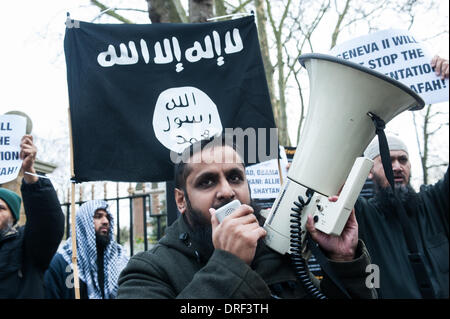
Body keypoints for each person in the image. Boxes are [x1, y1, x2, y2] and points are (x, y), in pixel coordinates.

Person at [117, 135, 377, 299]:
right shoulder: (149, 271)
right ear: (181, 200)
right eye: (207, 182)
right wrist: (228, 265)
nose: (228, 192)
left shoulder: (277, 248)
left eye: (235, 177)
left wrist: (344, 262)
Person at [355, 134, 448, 298]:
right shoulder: (363, 216)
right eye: (387, 160)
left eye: (403, 160)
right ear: (369, 171)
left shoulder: (435, 202)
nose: (397, 167)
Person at [0, 135, 65, 298]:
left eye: (1, 208)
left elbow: (47, 222)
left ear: (13, 217)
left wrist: (29, 173)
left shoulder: (26, 245)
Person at [44, 200, 129, 299]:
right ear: (84, 223)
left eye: (107, 217)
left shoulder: (119, 259)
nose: (106, 221)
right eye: (98, 216)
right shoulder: (61, 263)